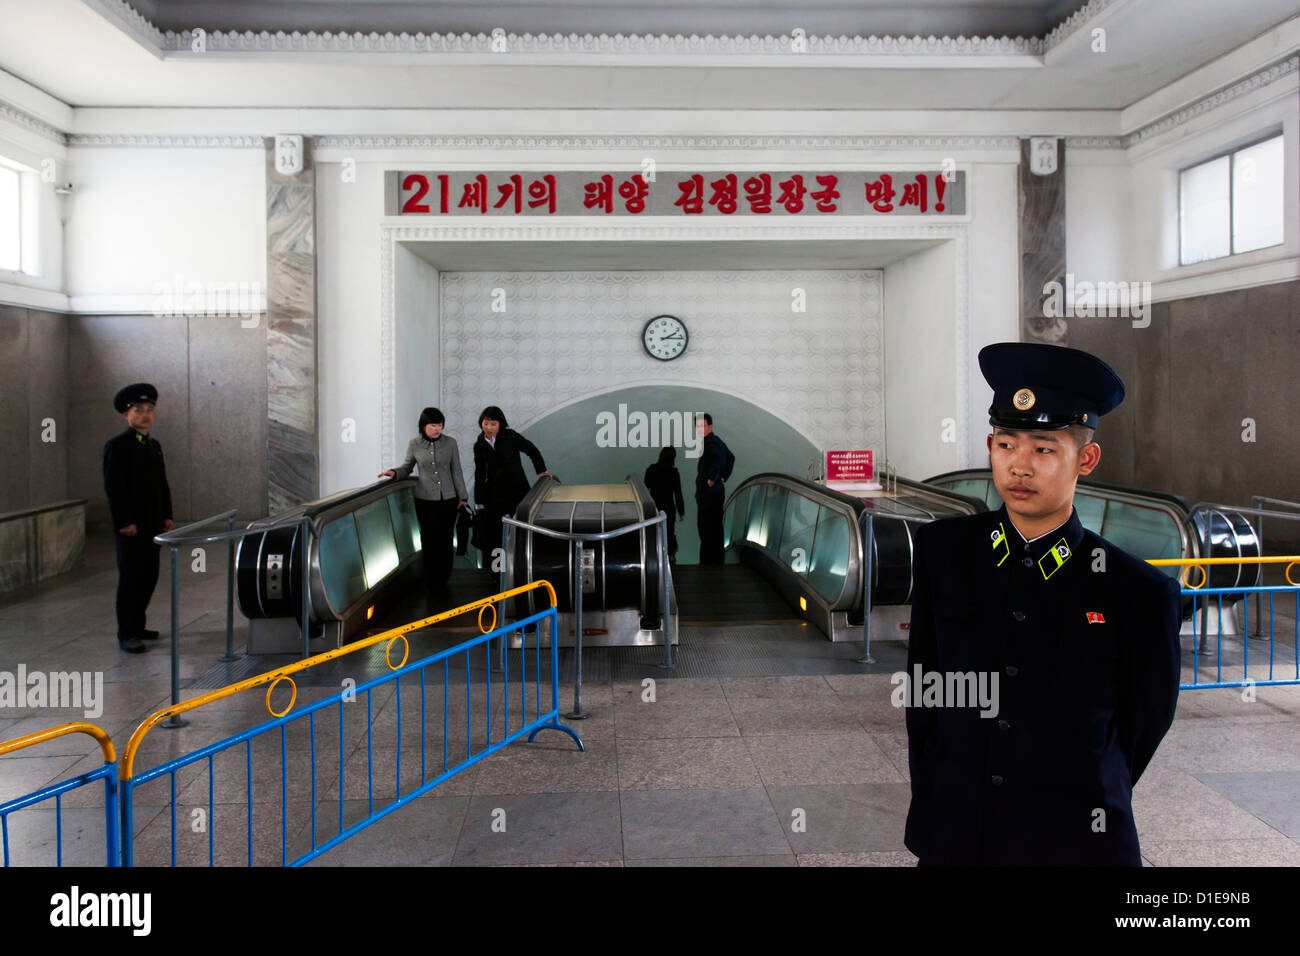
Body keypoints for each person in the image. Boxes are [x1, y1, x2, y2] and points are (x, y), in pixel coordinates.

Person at [902, 342, 1182, 866]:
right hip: (959, 835)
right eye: (1006, 445)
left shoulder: (1136, 591)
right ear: (990, 445)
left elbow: (1141, 727)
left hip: (1076, 841)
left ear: (1087, 458)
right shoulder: (946, 554)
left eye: (1044, 449)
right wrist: (939, 798)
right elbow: (927, 693)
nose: (1019, 466)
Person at [102, 383, 174, 654]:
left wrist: (167, 515)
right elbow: (114, 488)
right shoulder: (117, 447)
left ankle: (139, 624)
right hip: (131, 527)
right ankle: (127, 632)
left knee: (149, 575)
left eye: (149, 410)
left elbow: (161, 484)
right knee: (131, 578)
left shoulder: (153, 445)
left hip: (152, 523)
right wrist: (124, 521)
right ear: (126, 414)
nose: (145, 415)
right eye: (138, 410)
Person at [379, 407, 468, 605]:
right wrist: (394, 473)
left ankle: (444, 577)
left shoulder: (450, 443)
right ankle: (431, 579)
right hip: (425, 499)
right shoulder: (414, 444)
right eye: (433, 425)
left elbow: (457, 471)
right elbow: (407, 467)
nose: (437, 429)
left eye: (440, 425)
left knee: (446, 539)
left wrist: (463, 496)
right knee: (429, 539)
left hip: (448, 499)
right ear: (424, 426)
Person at [472, 406, 552, 565]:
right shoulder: (479, 444)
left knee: (521, 531)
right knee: (496, 536)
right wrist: (479, 501)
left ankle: (521, 568)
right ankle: (498, 573)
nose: (489, 428)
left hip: (517, 492)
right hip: (494, 497)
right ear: (481, 423)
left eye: (493, 424)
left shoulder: (511, 437)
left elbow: (532, 450)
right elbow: (479, 473)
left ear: (500, 424)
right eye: (486, 423)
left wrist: (541, 471)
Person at [694, 413, 734, 564]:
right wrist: (724, 476)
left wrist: (713, 478)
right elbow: (731, 458)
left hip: (708, 493)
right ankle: (717, 561)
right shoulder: (718, 441)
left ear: (710, 426)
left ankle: (707, 563)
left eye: (702, 425)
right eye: (697, 426)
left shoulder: (710, 442)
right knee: (715, 527)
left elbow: (718, 459)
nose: (699, 429)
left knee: (706, 528)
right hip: (716, 492)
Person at [644, 446, 686, 560]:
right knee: (669, 532)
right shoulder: (674, 473)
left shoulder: (651, 469)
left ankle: (653, 557)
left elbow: (645, 487)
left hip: (654, 507)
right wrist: (681, 512)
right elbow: (678, 494)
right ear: (673, 458)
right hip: (669, 508)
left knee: (653, 532)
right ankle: (670, 557)